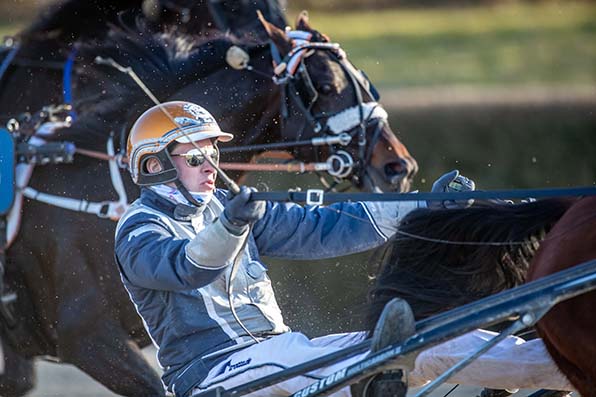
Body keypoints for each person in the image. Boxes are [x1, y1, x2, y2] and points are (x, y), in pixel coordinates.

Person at [115, 101, 573, 397]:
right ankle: (374, 374)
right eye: (196, 157)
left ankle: (564, 370)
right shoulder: (138, 230)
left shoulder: (226, 206)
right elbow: (186, 267)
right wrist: (234, 223)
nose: (210, 166)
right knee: (308, 359)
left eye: (213, 153)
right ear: (155, 165)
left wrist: (425, 207)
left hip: (281, 353)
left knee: (433, 342)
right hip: (211, 377)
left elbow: (325, 227)